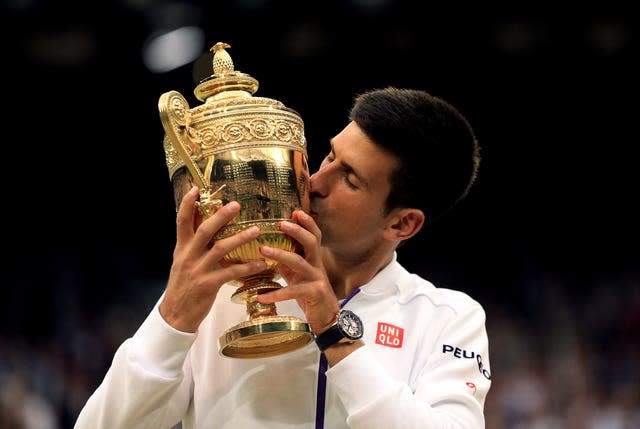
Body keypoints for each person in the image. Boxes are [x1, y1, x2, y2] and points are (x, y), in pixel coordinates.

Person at [74, 86, 491, 428]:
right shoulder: (223, 292)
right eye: (329, 156)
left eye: (349, 178)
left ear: (402, 224)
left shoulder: (448, 318)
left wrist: (334, 332)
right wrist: (172, 318)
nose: (314, 181)